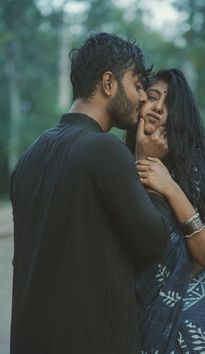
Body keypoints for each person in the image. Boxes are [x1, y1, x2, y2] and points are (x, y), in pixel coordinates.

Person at [10, 33, 172, 354]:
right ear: (108, 83)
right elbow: (155, 242)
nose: (142, 97)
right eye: (137, 84)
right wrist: (149, 165)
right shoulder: (105, 150)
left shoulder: (28, 157)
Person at [126, 69, 205, 353]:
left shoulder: (199, 164)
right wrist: (142, 158)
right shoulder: (118, 162)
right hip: (140, 323)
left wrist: (171, 188)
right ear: (139, 104)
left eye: (170, 104)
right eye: (152, 97)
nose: (159, 107)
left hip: (196, 328)